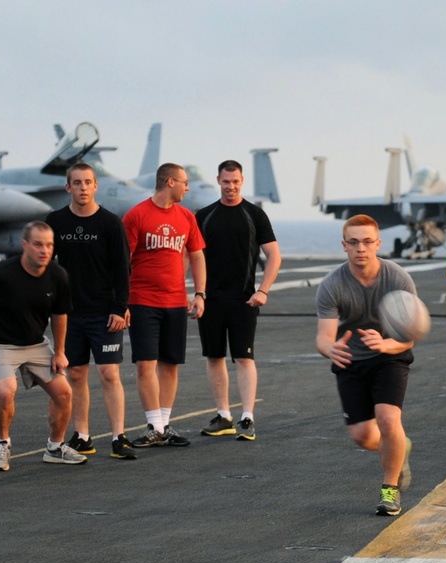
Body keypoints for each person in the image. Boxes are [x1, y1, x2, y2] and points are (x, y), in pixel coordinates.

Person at [0, 221, 86, 469]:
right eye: (38, 244)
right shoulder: (1, 272)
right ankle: (2, 444)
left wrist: (60, 352)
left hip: (34, 343)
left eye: (49, 245)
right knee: (5, 390)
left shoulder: (58, 276)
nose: (44, 250)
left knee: (64, 393)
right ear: (25, 245)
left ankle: (55, 447)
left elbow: (60, 314)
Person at [315, 215, 416, 516]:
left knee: (387, 419)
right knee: (362, 435)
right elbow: (322, 339)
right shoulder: (331, 285)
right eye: (354, 242)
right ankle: (401, 448)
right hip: (351, 360)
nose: (361, 248)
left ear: (378, 244)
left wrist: (387, 344)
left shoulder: (397, 278)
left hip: (390, 356)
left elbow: (409, 338)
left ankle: (390, 490)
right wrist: (331, 349)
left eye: (368, 242)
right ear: (344, 246)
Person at [48, 162, 137, 460]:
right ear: (68, 187)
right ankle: (82, 436)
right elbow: (48, 266)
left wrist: (119, 307)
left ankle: (118, 437)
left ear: (96, 186)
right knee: (75, 373)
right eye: (77, 183)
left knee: (109, 373)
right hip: (69, 314)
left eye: (87, 182)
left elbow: (123, 269)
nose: (83, 187)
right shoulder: (56, 221)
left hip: (104, 312)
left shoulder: (110, 223)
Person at [196, 160, 281, 442]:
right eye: (225, 182)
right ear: (218, 181)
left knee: (244, 358)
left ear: (242, 181)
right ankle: (224, 416)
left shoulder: (254, 215)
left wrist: (263, 290)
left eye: (235, 182)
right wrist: (193, 292)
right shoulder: (204, 215)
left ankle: (247, 418)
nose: (230, 187)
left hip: (245, 300)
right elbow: (189, 257)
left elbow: (274, 256)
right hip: (210, 301)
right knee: (214, 357)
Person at [123, 163, 206, 448]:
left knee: (170, 364)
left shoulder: (187, 217)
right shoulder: (137, 215)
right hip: (142, 300)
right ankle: (154, 426)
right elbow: (123, 262)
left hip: (175, 301)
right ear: (170, 183)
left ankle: (164, 425)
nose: (188, 187)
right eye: (185, 182)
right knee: (146, 364)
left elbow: (196, 255)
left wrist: (200, 294)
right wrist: (121, 301)